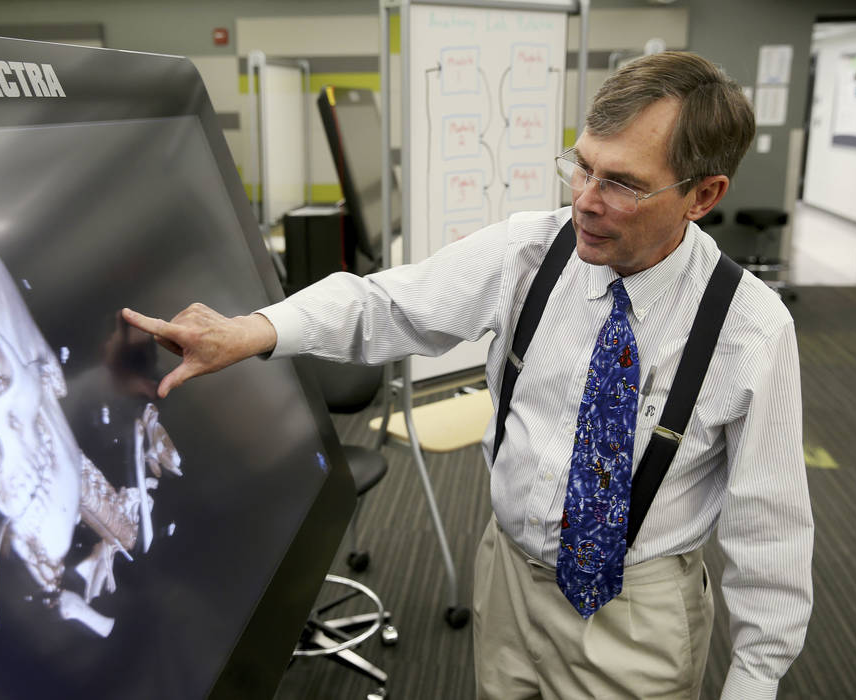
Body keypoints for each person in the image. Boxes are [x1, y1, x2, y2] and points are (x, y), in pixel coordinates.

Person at [122, 51, 813, 700]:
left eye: (624, 183)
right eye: (582, 167)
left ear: (703, 195)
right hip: (508, 575)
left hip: (636, 613)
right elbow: (387, 303)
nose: (587, 200)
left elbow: (770, 533)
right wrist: (254, 330)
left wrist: (754, 679)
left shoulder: (752, 330)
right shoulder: (532, 251)